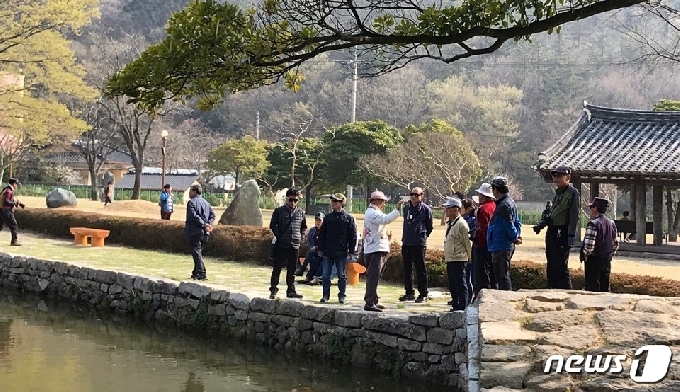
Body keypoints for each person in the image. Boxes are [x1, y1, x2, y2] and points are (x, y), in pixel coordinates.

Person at [535, 165, 579, 289]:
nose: (556, 178)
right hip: (553, 231)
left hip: (562, 231)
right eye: (554, 176)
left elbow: (574, 215)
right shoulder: (558, 193)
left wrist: (571, 235)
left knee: (561, 266)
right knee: (551, 265)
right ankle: (551, 290)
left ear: (568, 177)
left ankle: (565, 293)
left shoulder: (572, 192)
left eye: (559, 176)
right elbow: (554, 214)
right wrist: (542, 223)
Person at [363, 190, 403, 312]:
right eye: (383, 201)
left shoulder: (373, 212)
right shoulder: (372, 213)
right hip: (375, 249)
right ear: (376, 201)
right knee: (373, 276)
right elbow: (386, 219)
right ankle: (369, 302)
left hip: (376, 247)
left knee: (375, 276)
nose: (384, 204)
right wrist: (398, 209)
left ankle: (373, 299)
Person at [317, 192, 357, 304]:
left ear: (341, 203)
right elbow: (322, 234)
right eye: (332, 201)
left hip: (342, 251)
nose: (332, 203)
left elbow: (352, 236)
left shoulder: (349, 218)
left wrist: (351, 250)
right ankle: (325, 295)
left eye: (335, 201)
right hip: (328, 251)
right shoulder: (328, 218)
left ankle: (342, 295)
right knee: (325, 275)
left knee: (342, 275)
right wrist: (320, 248)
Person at [269, 188, 307, 299]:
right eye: (291, 200)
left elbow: (303, 226)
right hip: (282, 244)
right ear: (287, 199)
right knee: (277, 268)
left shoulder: (301, 212)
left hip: (295, 244)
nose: (293, 202)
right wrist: (278, 235)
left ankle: (291, 290)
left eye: (296, 200)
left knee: (292, 269)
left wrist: (301, 236)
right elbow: (273, 225)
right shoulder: (279, 211)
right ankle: (273, 289)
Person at [400, 187, 434, 303]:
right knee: (407, 268)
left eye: (416, 194)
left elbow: (429, 226)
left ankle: (423, 293)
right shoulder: (407, 208)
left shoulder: (426, 209)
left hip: (419, 243)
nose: (414, 196)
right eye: (412, 194)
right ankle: (409, 292)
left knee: (420, 269)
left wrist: (422, 236)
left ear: (421, 196)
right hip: (407, 241)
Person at [487, 176, 521, 291]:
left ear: (496, 190)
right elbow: (517, 222)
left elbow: (509, 225)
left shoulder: (503, 206)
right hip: (502, 243)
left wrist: (515, 237)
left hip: (501, 244)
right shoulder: (510, 202)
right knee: (502, 274)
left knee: (502, 275)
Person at [581, 197, 618, 292]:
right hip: (606, 259)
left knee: (592, 287)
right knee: (605, 286)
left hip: (594, 259)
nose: (590, 209)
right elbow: (615, 242)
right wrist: (610, 254)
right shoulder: (611, 223)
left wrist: (585, 255)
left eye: (591, 207)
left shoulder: (593, 224)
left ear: (595, 208)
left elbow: (589, 245)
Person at [443, 197, 472, 311]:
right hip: (451, 258)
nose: (446, 210)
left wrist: (469, 256)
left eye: (448, 208)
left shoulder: (462, 224)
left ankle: (462, 305)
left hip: (459, 258)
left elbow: (467, 242)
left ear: (456, 209)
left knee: (460, 283)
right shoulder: (451, 223)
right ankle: (455, 304)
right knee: (453, 284)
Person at [183, 185, 215, 280]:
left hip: (195, 231)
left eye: (190, 191)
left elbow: (193, 216)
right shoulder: (206, 202)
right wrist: (208, 224)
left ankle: (201, 272)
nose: (189, 193)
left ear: (195, 192)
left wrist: (204, 224)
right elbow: (213, 215)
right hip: (205, 232)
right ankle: (196, 272)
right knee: (198, 252)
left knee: (196, 252)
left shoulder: (191, 203)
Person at [473, 183, 496, 296]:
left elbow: (484, 228)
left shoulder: (482, 209)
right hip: (494, 245)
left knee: (482, 274)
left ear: (483, 195)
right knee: (492, 273)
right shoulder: (495, 206)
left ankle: (482, 296)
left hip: (483, 244)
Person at [296, 212, 324, 283]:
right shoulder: (312, 230)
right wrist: (313, 247)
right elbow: (309, 241)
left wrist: (316, 248)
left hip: (322, 251)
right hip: (313, 251)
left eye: (320, 220)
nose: (318, 222)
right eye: (317, 220)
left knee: (313, 254)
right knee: (314, 259)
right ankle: (309, 277)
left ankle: (302, 269)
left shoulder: (325, 231)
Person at [0, 178, 24, 246]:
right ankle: (14, 242)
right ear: (14, 184)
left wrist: (17, 203)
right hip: (7, 211)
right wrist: (14, 203)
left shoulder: (6, 189)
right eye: (16, 184)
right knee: (14, 226)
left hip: (1, 211)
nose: (17, 186)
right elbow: (6, 202)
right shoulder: (9, 191)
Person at [461, 198, 476, 304]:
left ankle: (468, 299)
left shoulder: (469, 220)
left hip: (469, 252)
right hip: (463, 252)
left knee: (467, 278)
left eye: (461, 208)